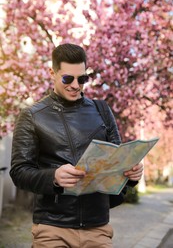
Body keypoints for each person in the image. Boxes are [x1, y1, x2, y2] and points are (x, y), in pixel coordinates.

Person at [10, 43, 143, 248]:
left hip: (97, 228)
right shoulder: (31, 116)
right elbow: (19, 172)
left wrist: (131, 174)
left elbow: (116, 161)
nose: (75, 85)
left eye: (82, 79)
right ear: (52, 73)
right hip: (52, 228)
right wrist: (53, 176)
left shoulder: (102, 110)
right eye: (67, 78)